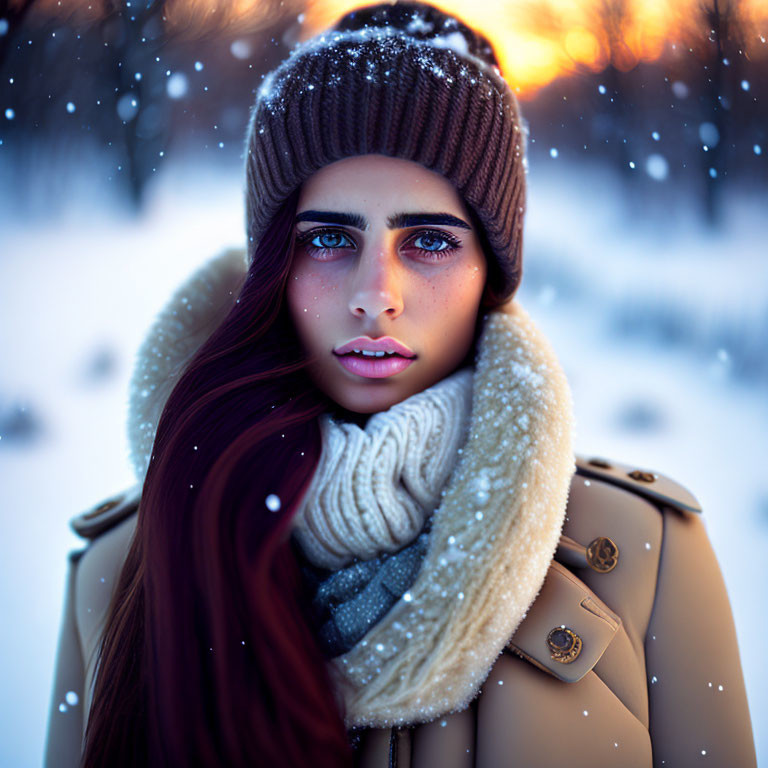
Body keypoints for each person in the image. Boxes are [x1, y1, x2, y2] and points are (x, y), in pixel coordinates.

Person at [44, 2, 757, 767]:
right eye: (326, 238)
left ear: (493, 276)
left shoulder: (644, 555)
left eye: (428, 241)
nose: (374, 293)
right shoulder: (125, 568)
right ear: (270, 270)